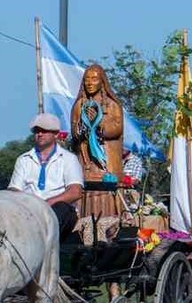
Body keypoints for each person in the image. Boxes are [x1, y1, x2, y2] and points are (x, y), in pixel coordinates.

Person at [9, 113, 83, 239]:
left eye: (44, 131)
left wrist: (48, 203)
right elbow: (14, 189)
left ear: (56, 134)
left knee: (60, 210)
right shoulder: (24, 159)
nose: (40, 134)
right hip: (29, 210)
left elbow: (75, 192)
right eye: (37, 131)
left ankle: (39, 242)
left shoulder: (68, 159)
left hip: (58, 210)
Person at [70, 64, 123, 218]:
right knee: (85, 191)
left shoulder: (112, 105)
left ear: (102, 82)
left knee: (104, 194)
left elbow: (117, 129)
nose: (90, 83)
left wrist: (98, 125)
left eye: (94, 79)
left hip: (105, 162)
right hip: (86, 161)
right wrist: (84, 127)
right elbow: (74, 130)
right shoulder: (79, 105)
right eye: (87, 79)